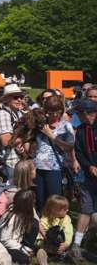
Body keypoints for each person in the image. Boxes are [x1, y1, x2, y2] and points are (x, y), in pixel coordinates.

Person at [33, 95, 75, 211]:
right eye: (51, 111)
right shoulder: (40, 124)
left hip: (55, 168)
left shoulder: (66, 126)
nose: (54, 114)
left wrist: (51, 136)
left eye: (57, 111)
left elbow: (69, 147)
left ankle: (55, 226)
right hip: (38, 167)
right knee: (40, 201)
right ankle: (41, 227)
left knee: (54, 201)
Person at [71, 98, 97, 260]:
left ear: (90, 114)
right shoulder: (80, 130)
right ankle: (77, 245)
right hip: (89, 176)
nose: (78, 117)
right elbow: (79, 152)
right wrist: (89, 166)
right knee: (86, 208)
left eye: (80, 114)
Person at [0, 159, 36, 226]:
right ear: (28, 174)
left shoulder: (12, 187)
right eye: (34, 169)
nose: (36, 170)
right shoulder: (15, 195)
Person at [0, 189, 39, 264]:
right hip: (7, 247)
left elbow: (37, 222)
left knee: (34, 223)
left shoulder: (28, 211)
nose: (35, 202)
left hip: (19, 242)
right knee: (23, 258)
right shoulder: (12, 217)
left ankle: (32, 252)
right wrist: (22, 248)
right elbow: (4, 240)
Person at [0, 84, 26, 180]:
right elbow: (6, 140)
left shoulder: (19, 113)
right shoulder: (3, 114)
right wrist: (23, 140)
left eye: (21, 97)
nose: (19, 100)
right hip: (10, 162)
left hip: (20, 161)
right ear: (7, 99)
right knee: (12, 192)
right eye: (16, 97)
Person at [35, 195, 73, 265]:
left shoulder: (66, 219)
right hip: (47, 245)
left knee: (67, 252)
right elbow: (40, 233)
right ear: (55, 210)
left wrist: (66, 244)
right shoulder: (45, 219)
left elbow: (68, 232)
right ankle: (44, 262)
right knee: (41, 251)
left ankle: (62, 255)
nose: (67, 210)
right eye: (64, 209)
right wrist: (41, 242)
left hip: (60, 245)